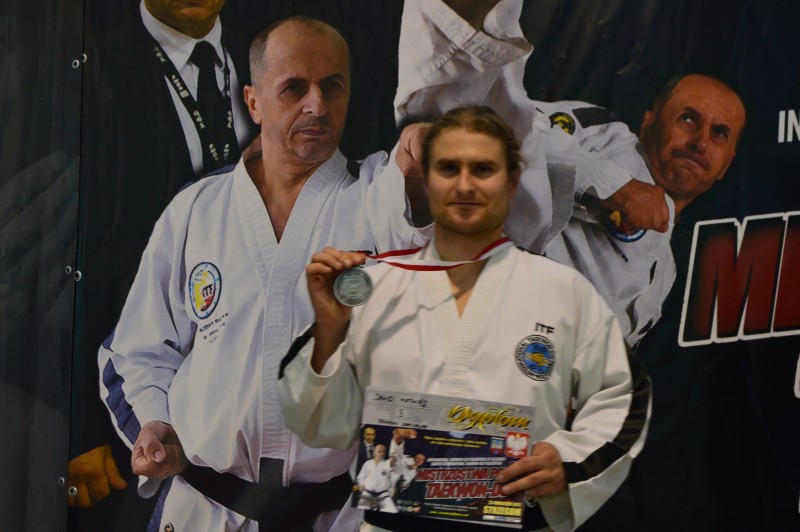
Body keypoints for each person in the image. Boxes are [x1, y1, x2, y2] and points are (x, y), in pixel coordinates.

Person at [98, 15, 424, 531]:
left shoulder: (379, 195)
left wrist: (427, 168)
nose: (317, 105)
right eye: (294, 88)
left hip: (335, 512)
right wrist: (155, 422)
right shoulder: (197, 210)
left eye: (332, 86)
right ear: (252, 102)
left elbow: (428, 234)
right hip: (205, 507)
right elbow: (135, 351)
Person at [279, 106, 651, 531]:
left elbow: (625, 396)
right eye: (448, 168)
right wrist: (329, 331)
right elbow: (316, 424)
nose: (465, 185)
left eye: (484, 169)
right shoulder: (377, 287)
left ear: (512, 181)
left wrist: (570, 462)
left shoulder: (561, 294)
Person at [393, 0, 745, 349]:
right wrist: (612, 185)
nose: (700, 141)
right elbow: (502, 131)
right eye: (688, 119)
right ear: (649, 122)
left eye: (719, 134)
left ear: (727, 165)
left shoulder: (665, 271)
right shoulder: (604, 135)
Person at [69, 0, 255, 511]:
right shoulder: (91, 67)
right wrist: (77, 425)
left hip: (242, 408)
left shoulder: (270, 58)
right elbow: (66, 257)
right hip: (127, 412)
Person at [356, 445, 399, 513]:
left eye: (383, 452)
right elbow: (361, 477)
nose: (381, 454)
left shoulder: (386, 463)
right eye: (379, 451)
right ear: (374, 452)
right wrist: (362, 487)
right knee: (359, 512)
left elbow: (391, 465)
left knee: (393, 511)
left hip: (383, 495)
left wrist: (392, 461)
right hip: (368, 494)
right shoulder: (367, 463)